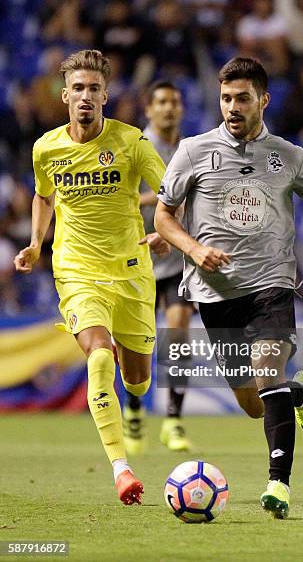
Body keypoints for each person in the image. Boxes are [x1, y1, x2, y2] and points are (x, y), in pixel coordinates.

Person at [155, 57, 303, 518]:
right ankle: (299, 395)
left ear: (263, 100)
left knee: (267, 368)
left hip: (271, 284)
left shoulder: (289, 156)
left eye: (242, 98)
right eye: (225, 98)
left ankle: (279, 483)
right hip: (215, 294)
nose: (232, 107)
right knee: (254, 403)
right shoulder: (193, 151)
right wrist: (194, 250)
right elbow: (163, 216)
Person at [14, 49, 169, 506]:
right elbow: (44, 195)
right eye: (78, 88)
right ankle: (122, 469)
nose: (86, 96)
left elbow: (171, 192)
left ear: (106, 96)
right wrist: (37, 242)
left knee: (137, 379)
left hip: (132, 273)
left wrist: (165, 228)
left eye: (94, 89)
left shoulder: (132, 142)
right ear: (65, 96)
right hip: (77, 270)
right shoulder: (46, 147)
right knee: (99, 355)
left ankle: (132, 394)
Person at [123, 80, 194, 454]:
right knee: (137, 345)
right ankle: (134, 410)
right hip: (136, 259)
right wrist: (165, 195)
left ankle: (173, 420)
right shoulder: (133, 146)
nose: (169, 108)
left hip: (176, 260)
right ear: (148, 109)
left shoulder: (189, 148)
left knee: (179, 331)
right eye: (162, 102)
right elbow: (123, 198)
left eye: (175, 101)